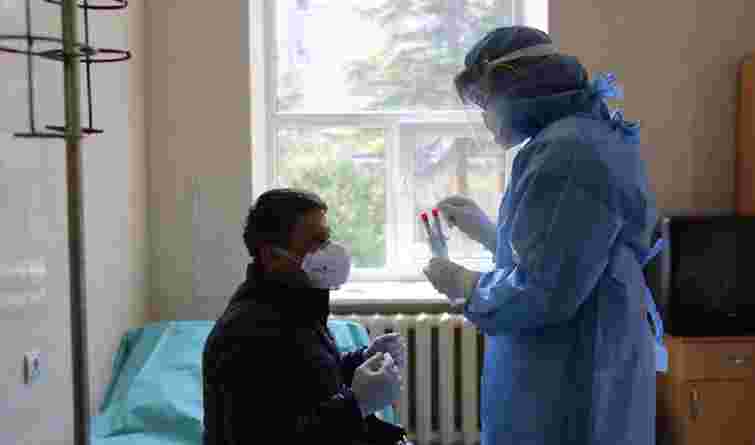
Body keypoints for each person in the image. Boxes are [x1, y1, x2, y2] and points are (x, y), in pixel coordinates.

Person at [422, 26, 665, 445]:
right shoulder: (581, 135)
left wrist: (466, 285)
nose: (485, 116)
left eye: (484, 101)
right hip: (592, 340)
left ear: (517, 86)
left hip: (574, 364)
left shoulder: (567, 151)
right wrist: (490, 234)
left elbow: (546, 289)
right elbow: (567, 249)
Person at [202, 188, 409, 445]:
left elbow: (305, 377)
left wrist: (360, 360)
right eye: (316, 241)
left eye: (327, 238)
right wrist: (356, 406)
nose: (329, 250)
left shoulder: (297, 303)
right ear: (272, 256)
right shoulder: (244, 335)